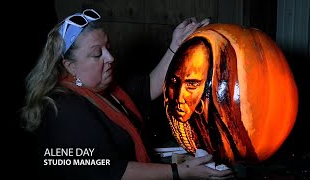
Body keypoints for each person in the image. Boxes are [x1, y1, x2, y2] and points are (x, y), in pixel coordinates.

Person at [20, 8, 233, 179]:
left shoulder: (103, 90)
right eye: (97, 54)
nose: (110, 57)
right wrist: (181, 172)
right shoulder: (65, 109)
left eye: (108, 48)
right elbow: (110, 170)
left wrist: (175, 46)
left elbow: (147, 87)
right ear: (70, 66)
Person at [163, 36, 259, 166]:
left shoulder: (229, 138)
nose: (179, 97)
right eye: (174, 82)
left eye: (192, 84)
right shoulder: (174, 118)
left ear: (209, 83)